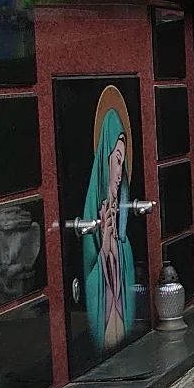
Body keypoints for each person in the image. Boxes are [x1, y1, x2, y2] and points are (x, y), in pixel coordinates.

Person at [82, 108, 136, 353]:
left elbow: (126, 264)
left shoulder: (119, 215)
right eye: (117, 160)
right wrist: (104, 248)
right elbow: (89, 274)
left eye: (123, 162)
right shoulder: (92, 213)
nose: (119, 172)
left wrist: (117, 248)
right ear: (105, 157)